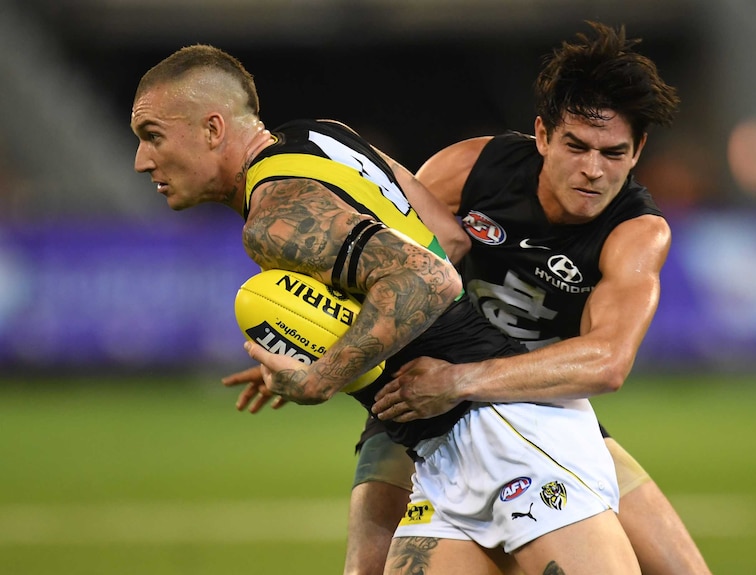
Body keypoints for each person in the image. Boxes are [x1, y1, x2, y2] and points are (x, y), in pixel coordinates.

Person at [131, 44, 640, 574]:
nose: (143, 159)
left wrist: (321, 377)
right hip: (441, 453)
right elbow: (448, 239)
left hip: (509, 436)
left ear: (212, 129)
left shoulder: (274, 219)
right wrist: (329, 335)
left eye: (153, 137)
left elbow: (428, 275)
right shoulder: (321, 136)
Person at [361, 22, 712, 575]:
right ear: (543, 135)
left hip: (543, 411)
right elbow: (383, 270)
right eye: (576, 145)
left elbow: (608, 361)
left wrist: (459, 381)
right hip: (421, 411)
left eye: (613, 152)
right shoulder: (471, 171)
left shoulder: (637, 231)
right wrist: (318, 342)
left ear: (638, 150)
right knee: (367, 567)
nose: (593, 170)